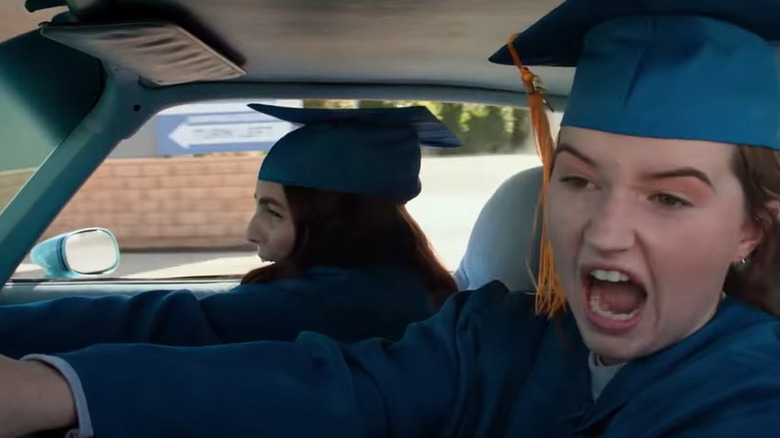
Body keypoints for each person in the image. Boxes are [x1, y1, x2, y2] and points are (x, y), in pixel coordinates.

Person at [3, 0, 780, 437]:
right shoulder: (494, 338)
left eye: (668, 197)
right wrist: (56, 390)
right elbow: (338, 387)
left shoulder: (753, 398)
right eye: (577, 180)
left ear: (752, 228)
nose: (603, 231)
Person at [0, 103, 460, 360]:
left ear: (335, 224)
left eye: (273, 212)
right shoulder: (407, 286)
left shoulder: (335, 305)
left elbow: (151, 322)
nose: (250, 230)